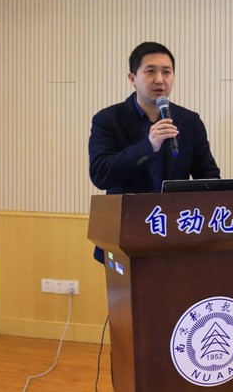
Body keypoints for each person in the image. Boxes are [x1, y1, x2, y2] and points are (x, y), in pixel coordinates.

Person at [88, 42, 220, 263]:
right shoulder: (108, 120)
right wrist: (148, 147)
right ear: (132, 78)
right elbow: (101, 174)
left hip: (178, 237)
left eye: (166, 72)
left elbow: (209, 176)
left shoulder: (189, 121)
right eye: (150, 71)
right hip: (126, 238)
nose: (159, 79)